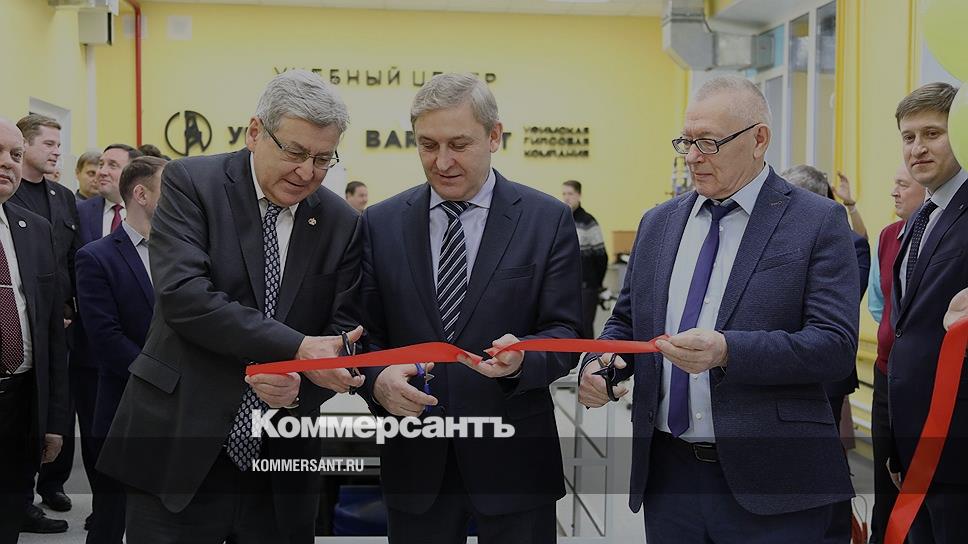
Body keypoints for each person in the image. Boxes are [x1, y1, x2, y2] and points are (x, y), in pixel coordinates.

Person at [578, 76, 859, 543]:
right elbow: (625, 322)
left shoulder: (817, 221)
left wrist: (728, 350)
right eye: (685, 142)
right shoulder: (658, 223)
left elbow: (835, 346)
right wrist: (600, 364)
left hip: (775, 482)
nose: (692, 156)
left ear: (759, 139)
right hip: (669, 479)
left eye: (707, 142)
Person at [97, 69, 365, 544]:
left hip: (279, 465)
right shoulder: (191, 183)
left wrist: (300, 387)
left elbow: (340, 336)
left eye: (323, 158)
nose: (308, 172)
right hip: (178, 445)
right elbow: (185, 297)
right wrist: (295, 348)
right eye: (295, 152)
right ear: (255, 132)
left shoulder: (340, 221)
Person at [358, 73, 582, 544]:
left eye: (459, 144)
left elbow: (565, 332)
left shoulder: (546, 220)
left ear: (494, 136)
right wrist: (378, 380)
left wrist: (523, 359)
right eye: (428, 145)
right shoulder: (380, 223)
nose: (442, 162)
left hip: (515, 461)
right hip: (416, 463)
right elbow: (365, 333)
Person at [887, 82, 968, 543]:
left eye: (932, 134)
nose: (917, 148)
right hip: (916, 445)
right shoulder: (921, 215)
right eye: (909, 136)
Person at [75, 156, 166, 544]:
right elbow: (106, 339)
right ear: (141, 194)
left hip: (180, 411)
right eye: (168, 189)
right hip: (124, 407)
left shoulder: (185, 252)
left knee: (169, 519)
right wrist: (162, 378)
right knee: (111, 517)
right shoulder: (96, 257)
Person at [9, 114, 80, 532]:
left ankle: (50, 485)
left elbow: (72, 258)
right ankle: (22, 502)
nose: (57, 151)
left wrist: (71, 309)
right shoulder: (12, 195)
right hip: (21, 329)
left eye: (59, 144)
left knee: (57, 407)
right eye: (49, 144)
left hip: (56, 324)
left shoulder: (61, 197)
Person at [782, 164, 870, 428]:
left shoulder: (851, 244)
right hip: (777, 369)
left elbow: (839, 305)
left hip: (824, 374)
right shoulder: (779, 238)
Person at [866, 164, 925, 543]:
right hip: (887, 373)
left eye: (903, 185)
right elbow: (878, 302)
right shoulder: (889, 237)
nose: (894, 192)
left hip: (927, 379)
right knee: (884, 478)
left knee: (920, 479)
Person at [561, 179, 607, 339]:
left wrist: (595, 284)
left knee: (585, 328)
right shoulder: (561, 220)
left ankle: (588, 356)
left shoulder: (588, 222)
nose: (566, 198)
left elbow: (601, 256)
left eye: (570, 194)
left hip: (586, 287)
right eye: (564, 194)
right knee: (567, 327)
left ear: (579, 195)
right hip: (565, 286)